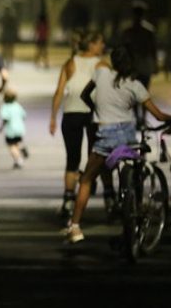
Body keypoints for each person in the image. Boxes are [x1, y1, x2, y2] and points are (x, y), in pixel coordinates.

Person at [64, 45, 171, 243]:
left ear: (113, 61)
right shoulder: (135, 85)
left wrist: (96, 108)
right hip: (127, 136)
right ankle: (134, 202)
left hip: (106, 135)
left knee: (87, 179)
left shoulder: (100, 74)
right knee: (133, 168)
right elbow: (158, 115)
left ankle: (75, 227)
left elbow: (84, 95)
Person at [49, 31, 105, 218]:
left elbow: (59, 92)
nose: (102, 46)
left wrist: (53, 117)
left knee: (72, 158)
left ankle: (68, 199)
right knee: (95, 156)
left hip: (71, 112)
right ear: (92, 45)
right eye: (100, 43)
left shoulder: (70, 63)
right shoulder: (101, 64)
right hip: (92, 114)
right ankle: (97, 189)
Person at [119, 0, 158, 87]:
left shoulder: (129, 31)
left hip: (139, 65)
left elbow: (153, 48)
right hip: (137, 65)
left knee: (138, 91)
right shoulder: (147, 30)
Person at [0, 90, 28, 169]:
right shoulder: (17, 105)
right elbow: (24, 115)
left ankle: (18, 160)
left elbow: (5, 119)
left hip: (10, 130)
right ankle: (21, 148)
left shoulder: (5, 107)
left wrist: (1, 127)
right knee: (17, 142)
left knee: (11, 146)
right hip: (19, 129)